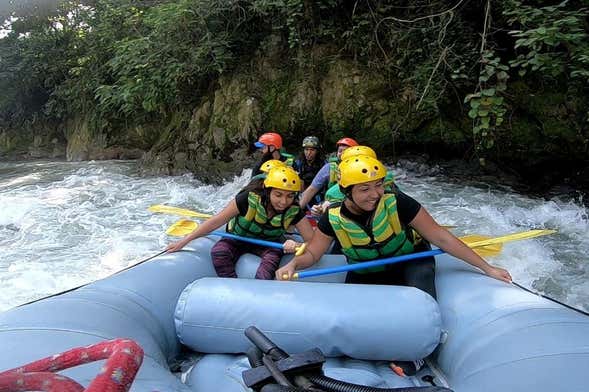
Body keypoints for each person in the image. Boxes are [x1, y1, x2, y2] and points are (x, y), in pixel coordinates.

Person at [277, 155, 512, 294]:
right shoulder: (333, 217)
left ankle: (417, 354)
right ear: (347, 192)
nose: (375, 194)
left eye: (378, 185)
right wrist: (294, 264)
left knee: (421, 289)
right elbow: (314, 253)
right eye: (365, 189)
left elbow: (440, 237)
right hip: (367, 269)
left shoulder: (397, 202)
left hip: (409, 262)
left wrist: (487, 268)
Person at [167, 166, 314, 280]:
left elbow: (312, 241)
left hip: (268, 243)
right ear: (267, 191)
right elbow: (216, 221)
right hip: (237, 239)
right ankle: (232, 285)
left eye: (289, 196)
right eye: (278, 195)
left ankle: (259, 291)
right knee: (219, 252)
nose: (283, 202)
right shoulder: (247, 199)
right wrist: (183, 242)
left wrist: (297, 245)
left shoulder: (293, 210)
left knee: (270, 261)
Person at [298, 137, 358, 210]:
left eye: (345, 151)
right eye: (340, 151)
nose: (342, 154)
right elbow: (312, 189)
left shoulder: (362, 170)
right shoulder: (329, 168)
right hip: (331, 206)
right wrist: (298, 210)